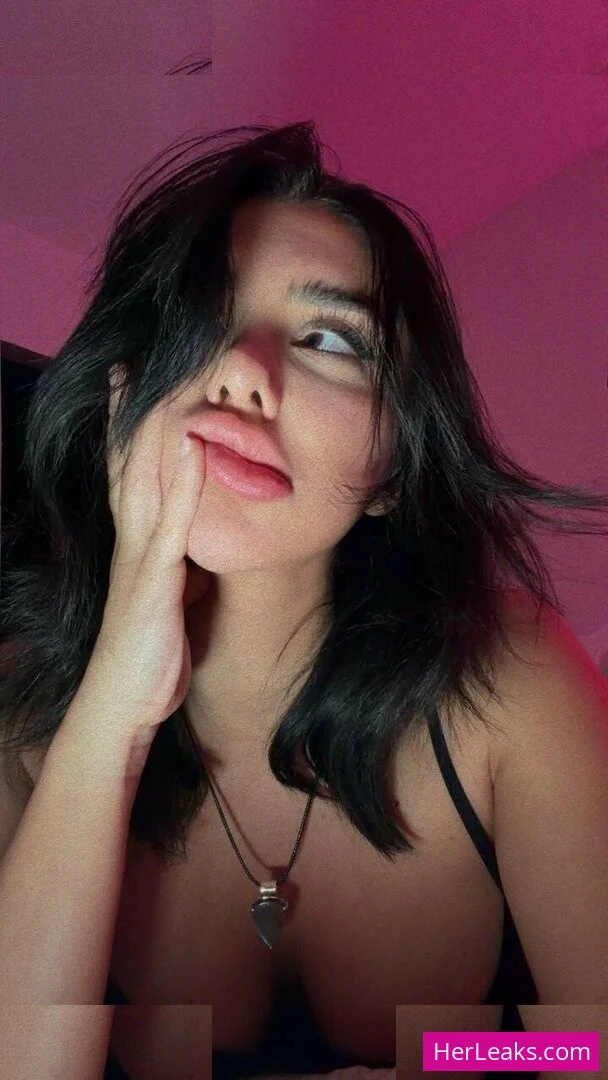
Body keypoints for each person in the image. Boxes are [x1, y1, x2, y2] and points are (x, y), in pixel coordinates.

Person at [0, 121, 607, 1080]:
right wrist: (112, 710)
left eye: (329, 339)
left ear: (393, 468)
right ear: (124, 399)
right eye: (201, 315)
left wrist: (438, 1057)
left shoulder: (511, 676)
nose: (242, 368)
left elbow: (588, 1044)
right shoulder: (21, 705)